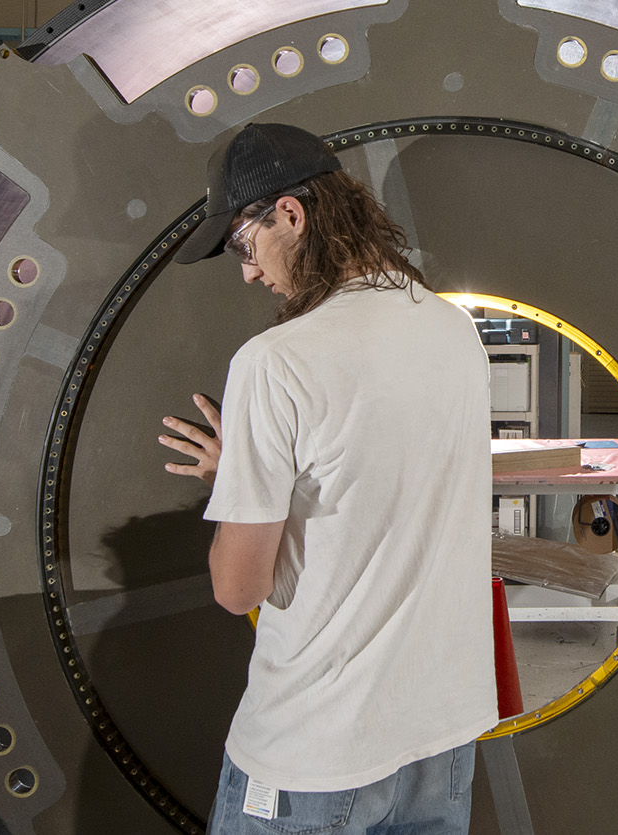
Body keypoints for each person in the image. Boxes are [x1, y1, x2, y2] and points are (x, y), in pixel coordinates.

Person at [155, 123, 497, 834]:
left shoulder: (275, 360)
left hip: (316, 746)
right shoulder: (450, 330)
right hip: (440, 735)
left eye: (242, 247)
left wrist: (236, 487)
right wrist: (257, 467)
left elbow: (237, 588)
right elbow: (375, 479)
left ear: (289, 214)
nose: (247, 272)